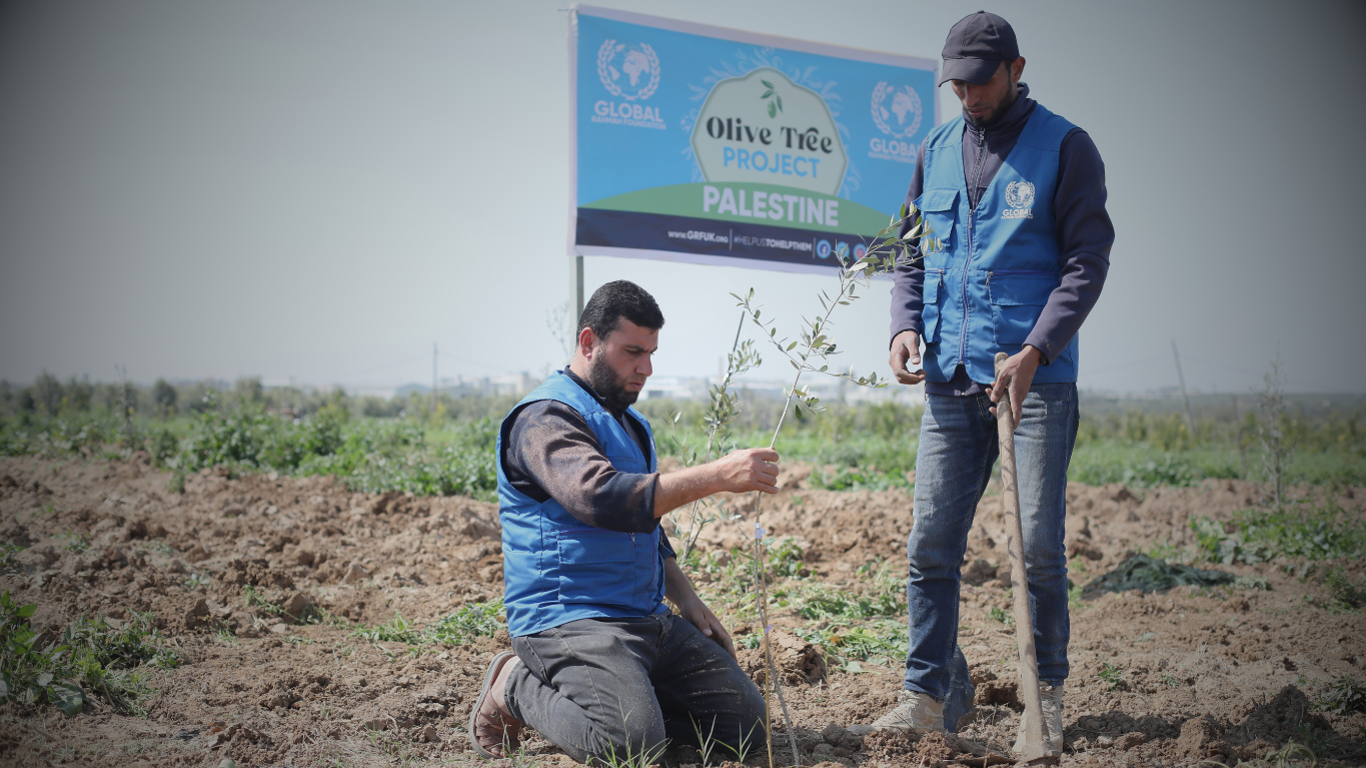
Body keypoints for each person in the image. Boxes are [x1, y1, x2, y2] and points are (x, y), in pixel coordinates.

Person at [875, 11, 1114, 754]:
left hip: (1032, 383)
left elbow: (1087, 261)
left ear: (1015, 68)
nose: (969, 97)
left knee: (1038, 545)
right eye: (958, 85)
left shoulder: (1066, 148)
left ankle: (1045, 698)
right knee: (929, 546)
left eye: (981, 82)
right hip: (949, 377)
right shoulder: (937, 149)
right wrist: (903, 323)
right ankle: (928, 694)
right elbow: (908, 252)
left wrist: (1037, 349)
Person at [469, 280, 774, 764]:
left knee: (747, 726)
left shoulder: (632, 424)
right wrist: (717, 475)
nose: (646, 368)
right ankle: (515, 685)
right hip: (569, 618)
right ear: (589, 342)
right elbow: (603, 499)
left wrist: (687, 600)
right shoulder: (545, 418)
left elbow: (646, 524)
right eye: (633, 352)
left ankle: (633, 702)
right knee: (629, 746)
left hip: (644, 618)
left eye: (651, 353)